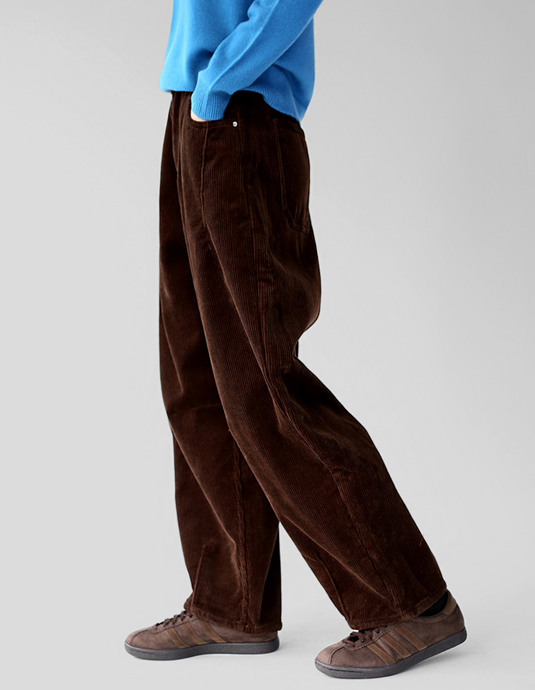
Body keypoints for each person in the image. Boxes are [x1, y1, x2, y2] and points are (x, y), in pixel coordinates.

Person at [124, 0, 467, 678]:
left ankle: (412, 603)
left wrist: (221, 80)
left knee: (262, 384)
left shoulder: (229, 93)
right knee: (197, 378)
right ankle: (231, 605)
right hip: (194, 109)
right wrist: (199, 95)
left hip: (239, 111)